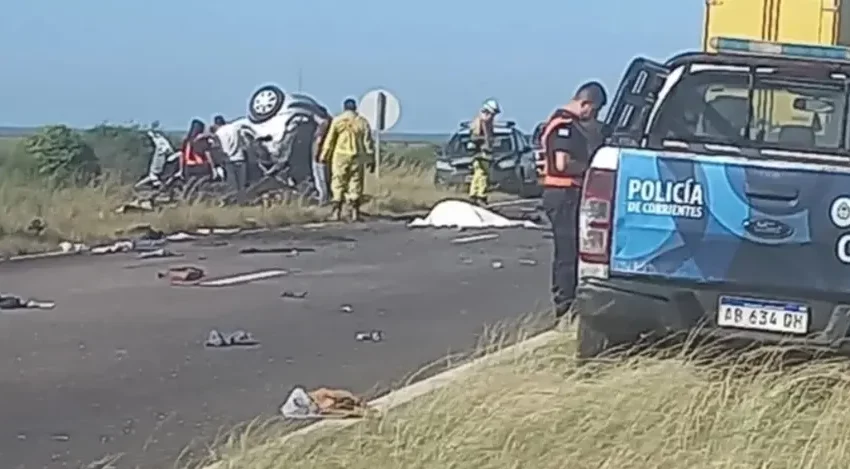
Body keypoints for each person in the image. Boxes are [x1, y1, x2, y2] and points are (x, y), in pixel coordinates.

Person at [540, 81, 608, 319]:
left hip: (563, 194)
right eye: (595, 110)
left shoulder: (560, 123)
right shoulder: (564, 127)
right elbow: (562, 163)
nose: (594, 116)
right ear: (585, 103)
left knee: (570, 250)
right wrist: (591, 169)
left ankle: (567, 301)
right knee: (567, 252)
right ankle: (564, 304)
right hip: (563, 193)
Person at [319, 98, 375, 222]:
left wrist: (324, 155)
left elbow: (330, 140)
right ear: (355, 108)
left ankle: (336, 213)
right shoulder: (362, 122)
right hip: (357, 156)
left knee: (338, 182)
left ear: (344, 108)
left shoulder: (338, 121)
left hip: (340, 156)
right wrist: (371, 159)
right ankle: (355, 213)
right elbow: (368, 143)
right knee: (356, 183)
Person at [468, 99, 501, 206]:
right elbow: (475, 137)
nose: (493, 116)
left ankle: (474, 194)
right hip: (481, 153)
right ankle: (480, 196)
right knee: (482, 175)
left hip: (482, 153)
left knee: (479, 174)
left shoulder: (485, 123)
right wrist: (485, 143)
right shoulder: (481, 123)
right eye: (492, 114)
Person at [212, 116, 249, 204]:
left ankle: (233, 201)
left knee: (232, 183)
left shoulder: (219, 133)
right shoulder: (234, 128)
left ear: (216, 124)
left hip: (229, 159)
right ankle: (242, 201)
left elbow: (219, 148)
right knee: (242, 183)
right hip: (240, 157)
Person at [311, 108, 332, 205]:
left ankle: (323, 199)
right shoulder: (331, 123)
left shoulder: (323, 125)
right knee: (326, 177)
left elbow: (319, 140)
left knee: (320, 178)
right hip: (328, 154)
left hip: (320, 155)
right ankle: (327, 197)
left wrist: (316, 155)